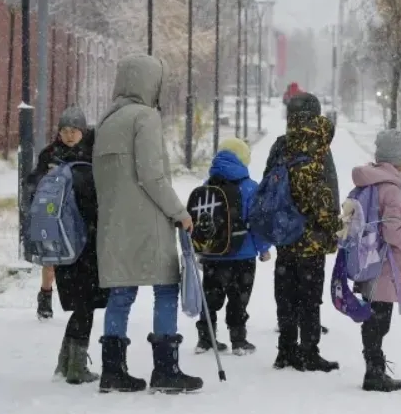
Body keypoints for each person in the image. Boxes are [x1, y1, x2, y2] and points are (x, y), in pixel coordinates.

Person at [93, 54, 202, 394]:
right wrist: (180, 213)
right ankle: (166, 369)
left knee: (121, 293)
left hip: (114, 224)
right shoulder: (145, 118)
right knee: (166, 289)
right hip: (148, 224)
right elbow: (152, 176)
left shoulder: (107, 121)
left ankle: (113, 370)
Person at [24, 107, 106, 383]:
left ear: (84, 131)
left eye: (74, 131)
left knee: (86, 302)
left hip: (83, 236)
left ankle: (67, 362)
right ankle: (76, 366)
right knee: (85, 301)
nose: (69, 136)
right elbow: (31, 186)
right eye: (64, 131)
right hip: (67, 238)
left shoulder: (93, 153)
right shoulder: (51, 156)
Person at [267, 92, 341, 372]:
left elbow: (268, 184)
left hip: (285, 233)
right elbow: (328, 188)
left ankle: (285, 350)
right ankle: (309, 351)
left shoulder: (281, 145)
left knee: (285, 293)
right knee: (310, 296)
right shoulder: (320, 148)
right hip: (312, 236)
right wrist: (332, 224)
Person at [350, 129, 401, 392]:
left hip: (367, 259)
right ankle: (374, 373)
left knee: (373, 318)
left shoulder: (368, 182)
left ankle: (373, 368)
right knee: (380, 321)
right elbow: (392, 230)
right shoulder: (391, 189)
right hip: (385, 264)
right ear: (399, 159)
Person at [195, 137, 270, 356]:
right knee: (239, 298)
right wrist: (263, 248)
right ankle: (238, 340)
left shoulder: (207, 185)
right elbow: (257, 222)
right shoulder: (250, 187)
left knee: (210, 299)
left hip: (213, 254)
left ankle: (205, 339)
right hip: (242, 254)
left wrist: (200, 248)